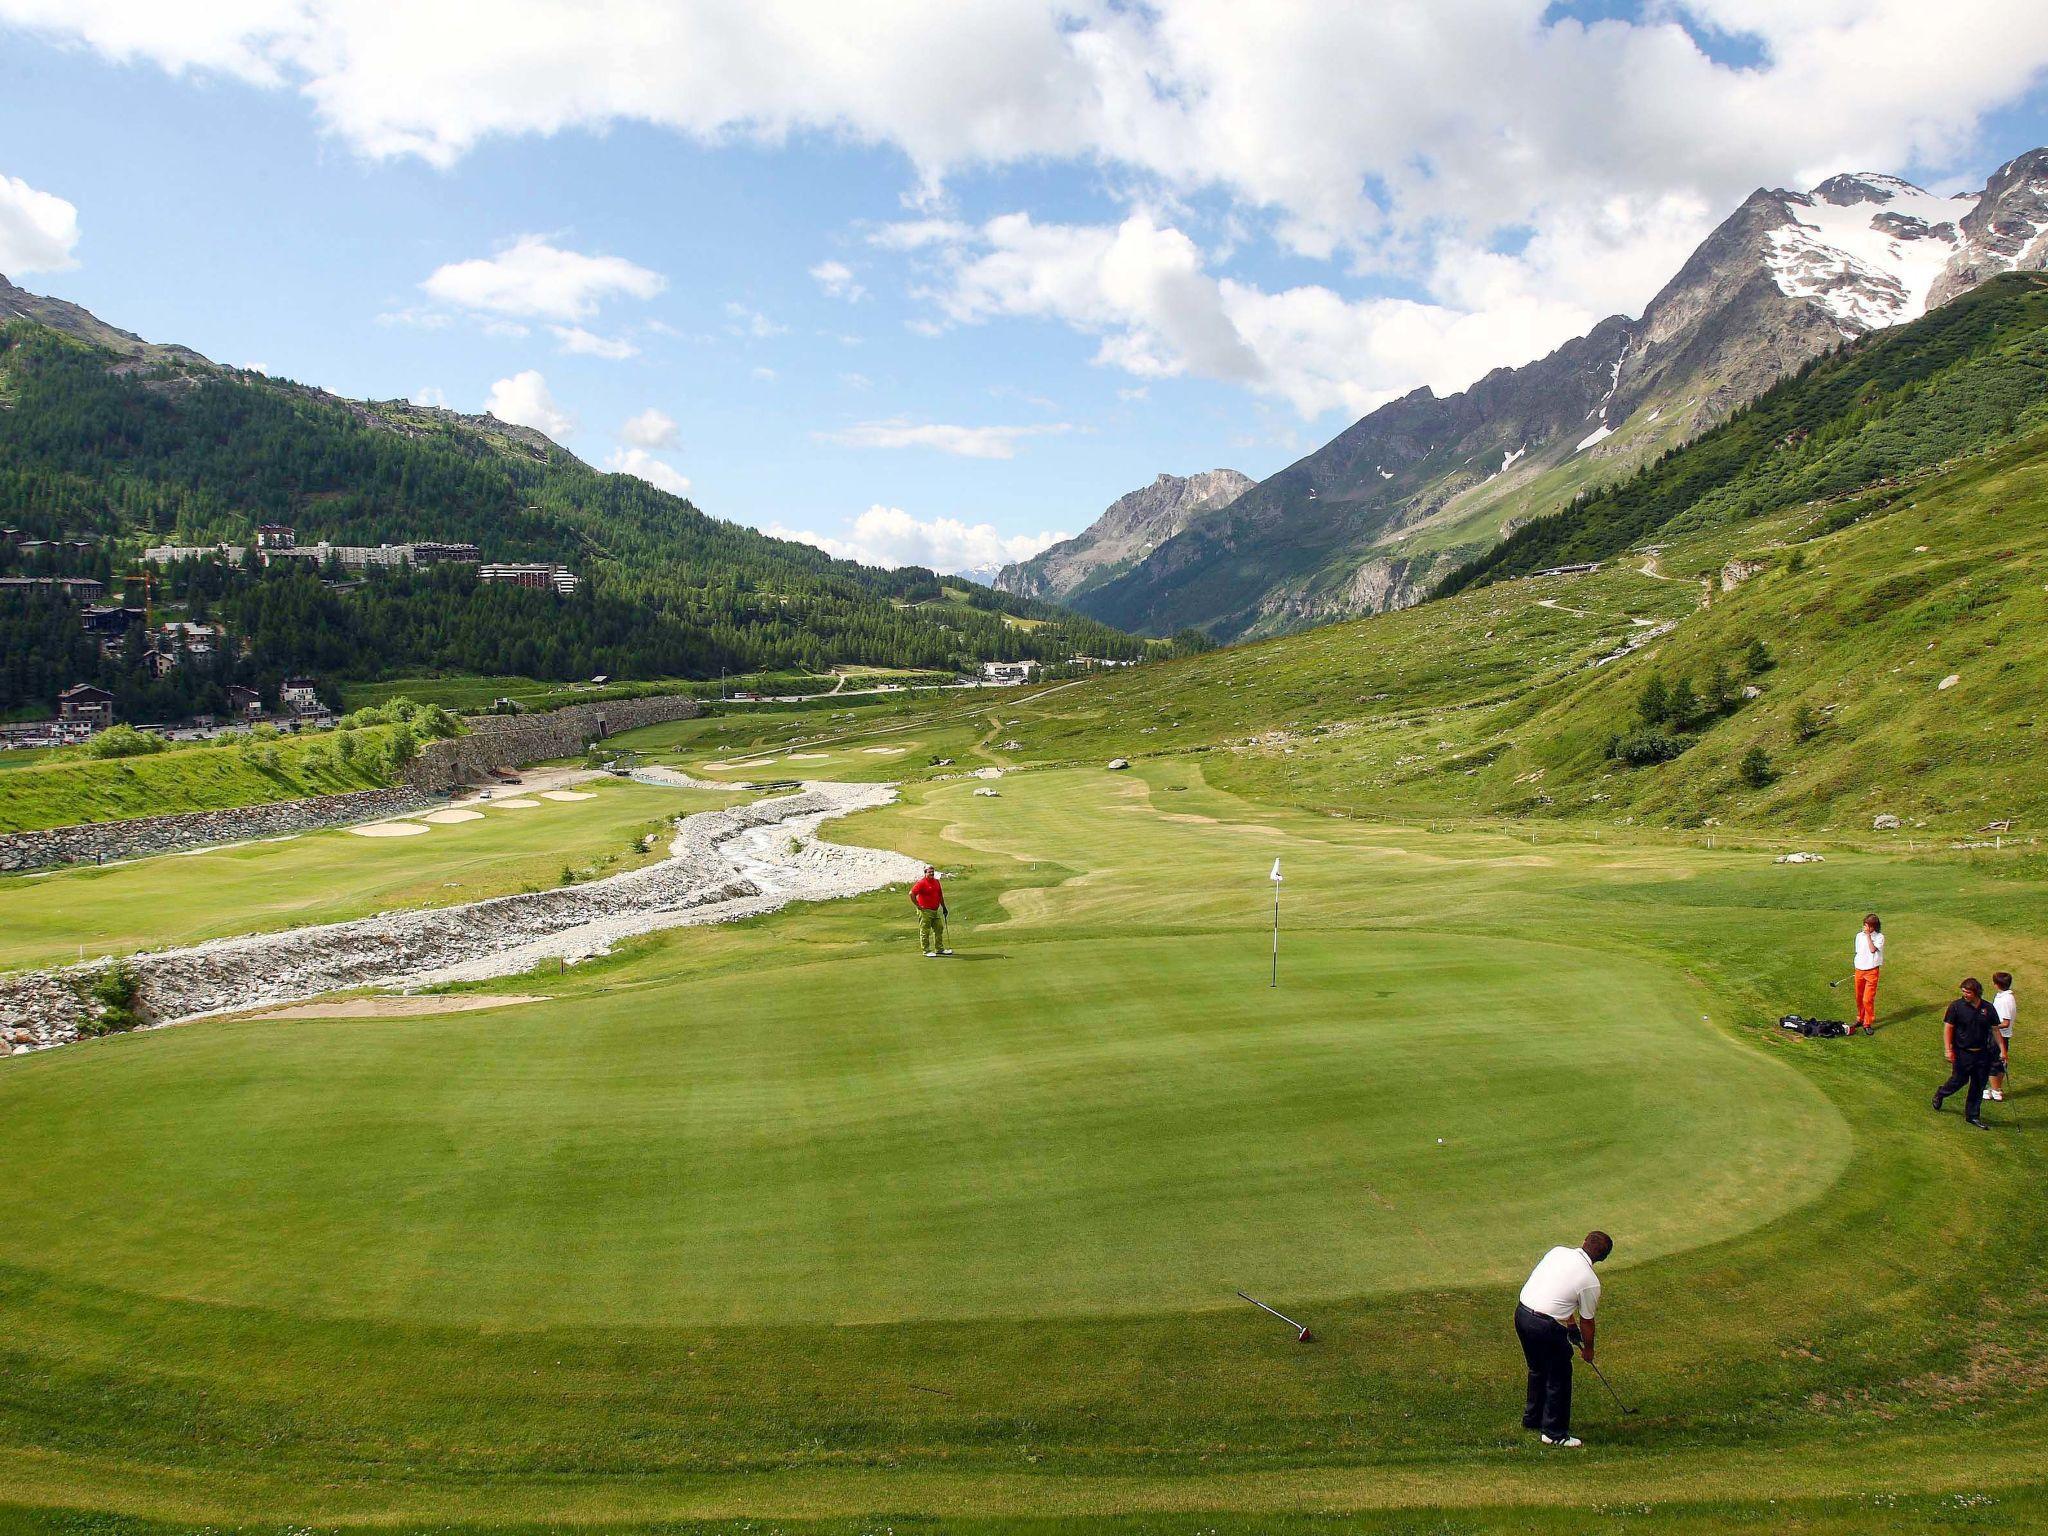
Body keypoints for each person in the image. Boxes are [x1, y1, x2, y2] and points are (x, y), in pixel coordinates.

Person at [1514, 1230, 1612, 1447]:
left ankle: (1533, 1418)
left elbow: (1557, 1290)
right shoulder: (1590, 1281)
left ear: (1584, 1241)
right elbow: (1588, 1321)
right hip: (1543, 1325)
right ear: (1602, 1258)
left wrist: (1569, 1325)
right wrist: (1589, 1350)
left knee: (1538, 1368)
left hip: (1521, 1314)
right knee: (1559, 1375)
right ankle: (1554, 1433)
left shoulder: (1558, 1252)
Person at [1933, 977, 2007, 1128]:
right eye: (1963, 992)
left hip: (1982, 1054)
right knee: (1959, 1080)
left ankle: (1972, 1115)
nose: (1965, 994)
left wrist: (2003, 1051)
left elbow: (1995, 1030)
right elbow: (1948, 1028)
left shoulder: (1988, 1009)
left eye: (1968, 992)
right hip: (1962, 1053)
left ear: (1976, 992)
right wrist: (1948, 1049)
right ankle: (1941, 1093)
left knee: (1978, 1085)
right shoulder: (1956, 1007)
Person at [1850, 913, 1885, 1033]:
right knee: (1859, 997)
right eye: (1864, 925)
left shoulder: (1879, 937)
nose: (1865, 927)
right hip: (1859, 970)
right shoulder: (1859, 936)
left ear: (1873, 927)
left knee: (1867, 999)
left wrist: (1869, 937)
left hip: (1872, 971)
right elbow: (1858, 952)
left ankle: (1867, 1022)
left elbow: (1872, 950)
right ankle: (1860, 1018)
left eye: (1867, 926)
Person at [910, 864, 952, 957]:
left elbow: (940, 896)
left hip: (935, 910)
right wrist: (918, 905)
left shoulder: (936, 882)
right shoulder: (921, 883)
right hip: (925, 911)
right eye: (929, 872)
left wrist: (944, 907)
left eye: (933, 872)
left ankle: (939, 949)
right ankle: (926, 950)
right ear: (925, 873)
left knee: (939, 928)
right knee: (925, 931)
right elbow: (911, 894)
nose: (932, 873)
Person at [1989, 971, 2017, 1102]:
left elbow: (2005, 1023)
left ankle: (1995, 1091)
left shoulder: (2005, 1000)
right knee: (1997, 1062)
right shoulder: (2003, 996)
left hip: (1999, 1036)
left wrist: (1990, 1026)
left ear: (1997, 984)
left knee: (1994, 1063)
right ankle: (1995, 1088)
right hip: (1999, 1035)